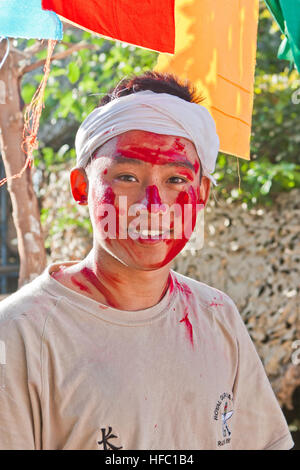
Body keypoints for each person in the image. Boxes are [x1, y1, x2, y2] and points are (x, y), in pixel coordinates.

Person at [0, 72, 294, 450]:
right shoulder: (20, 333)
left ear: (201, 192)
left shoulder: (217, 316)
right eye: (126, 176)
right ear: (81, 188)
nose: (152, 207)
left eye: (175, 180)